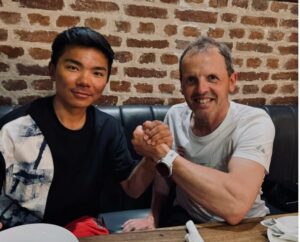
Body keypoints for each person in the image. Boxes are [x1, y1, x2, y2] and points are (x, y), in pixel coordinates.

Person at [0, 27, 172, 231]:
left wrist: (152, 154)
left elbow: (132, 188)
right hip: (21, 233)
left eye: (97, 73)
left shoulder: (108, 128)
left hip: (81, 232)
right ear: (52, 70)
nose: (84, 81)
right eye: (73, 68)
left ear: (106, 80)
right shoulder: (14, 127)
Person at [122, 36, 275, 232]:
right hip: (188, 220)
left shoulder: (254, 121)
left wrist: (162, 153)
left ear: (232, 81)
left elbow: (235, 207)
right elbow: (162, 180)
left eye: (212, 78)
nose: (201, 89)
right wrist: (154, 216)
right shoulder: (175, 116)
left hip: (246, 225)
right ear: (182, 85)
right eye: (191, 80)